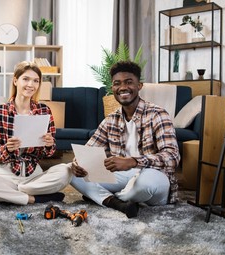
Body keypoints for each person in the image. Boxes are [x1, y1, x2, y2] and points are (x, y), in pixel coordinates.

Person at [70, 61, 180, 218]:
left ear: (139, 86)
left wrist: (133, 161)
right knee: (71, 173)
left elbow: (172, 157)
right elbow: (88, 150)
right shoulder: (111, 119)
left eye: (129, 82)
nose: (123, 87)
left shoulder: (157, 114)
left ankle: (108, 197)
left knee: (145, 184)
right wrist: (77, 164)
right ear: (112, 88)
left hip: (153, 175)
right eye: (117, 83)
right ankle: (120, 204)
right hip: (124, 177)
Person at [0, 61, 71, 205]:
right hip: (6, 175)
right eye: (26, 79)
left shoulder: (44, 111)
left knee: (66, 170)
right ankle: (33, 198)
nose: (31, 84)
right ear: (15, 80)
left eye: (36, 81)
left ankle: (15, 193)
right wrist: (7, 148)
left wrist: (50, 144)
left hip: (34, 176)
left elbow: (48, 153)